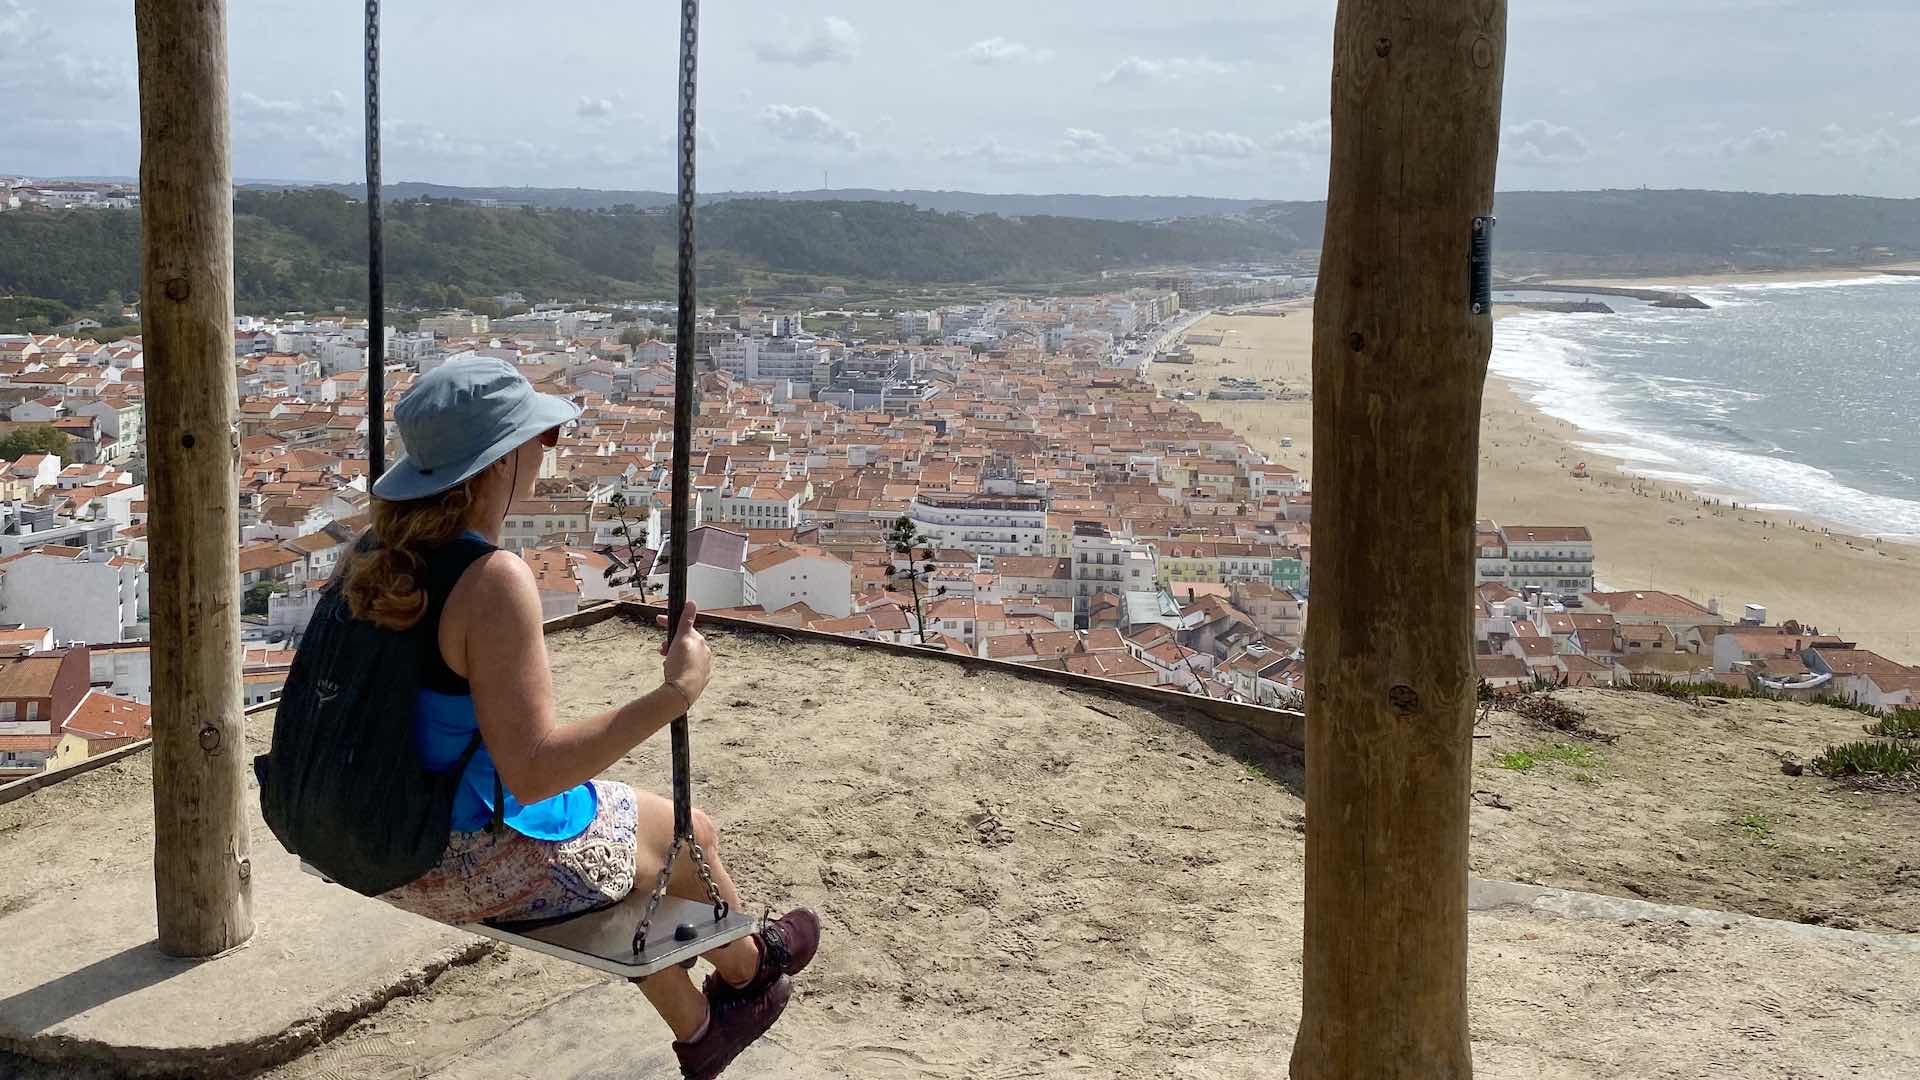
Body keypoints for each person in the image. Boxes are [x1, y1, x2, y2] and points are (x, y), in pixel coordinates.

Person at [336, 358, 816, 1080]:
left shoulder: (372, 555)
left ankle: (709, 1016)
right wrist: (674, 695)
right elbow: (532, 772)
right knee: (687, 837)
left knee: (629, 840)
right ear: (499, 460)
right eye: (544, 437)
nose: (549, 449)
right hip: (455, 854)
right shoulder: (489, 581)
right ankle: (748, 978)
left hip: (371, 830)